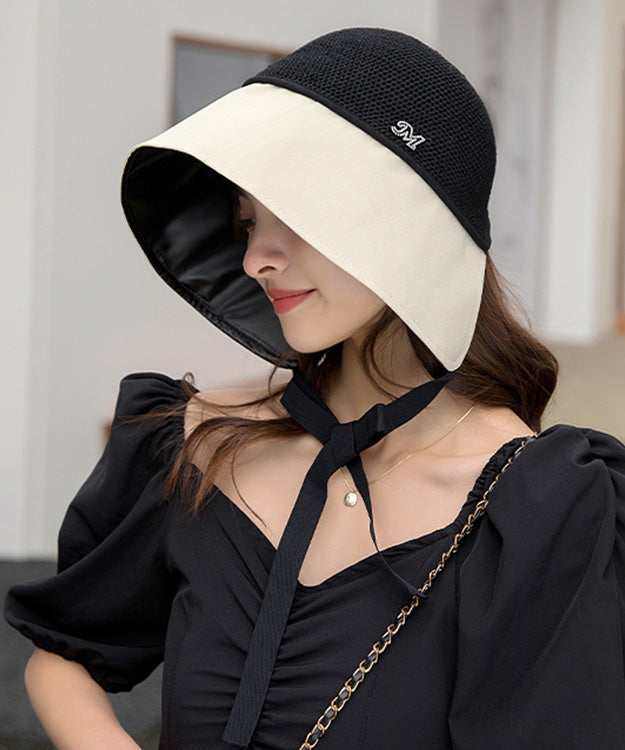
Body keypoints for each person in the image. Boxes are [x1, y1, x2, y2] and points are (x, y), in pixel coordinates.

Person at [5, 26, 625, 750]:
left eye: (295, 215)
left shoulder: (542, 509)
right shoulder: (198, 444)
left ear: (412, 224)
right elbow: (64, 655)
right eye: (246, 224)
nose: (256, 259)